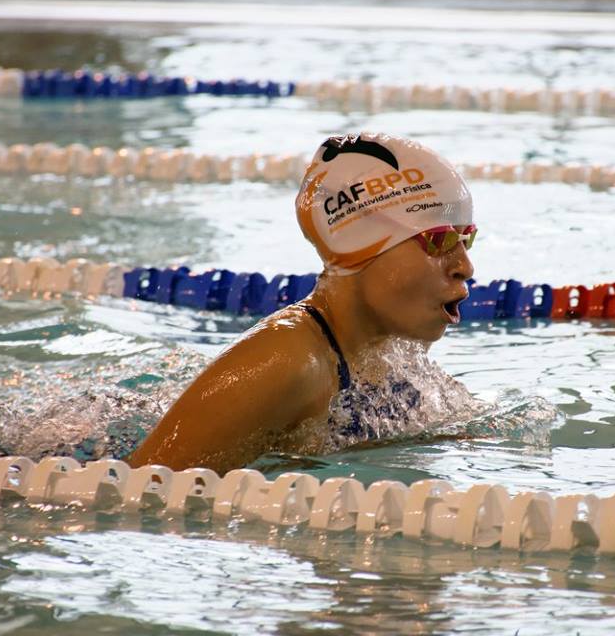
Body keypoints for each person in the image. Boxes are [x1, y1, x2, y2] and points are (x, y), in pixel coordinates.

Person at [128, 133, 476, 473]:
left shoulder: (389, 351)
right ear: (359, 239)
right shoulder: (285, 362)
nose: (465, 266)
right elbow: (143, 492)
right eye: (440, 240)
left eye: (466, 239)